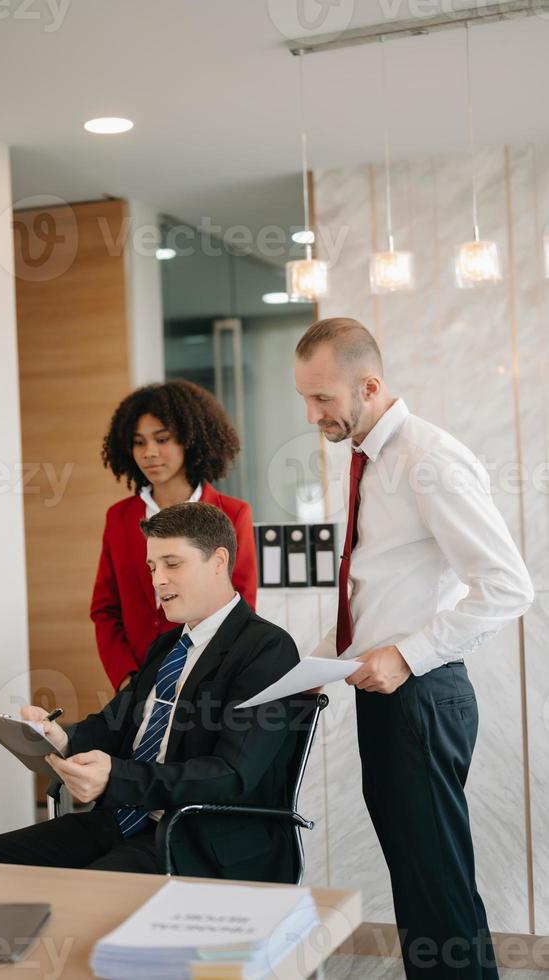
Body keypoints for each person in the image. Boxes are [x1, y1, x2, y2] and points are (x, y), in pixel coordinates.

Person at [294, 317, 533, 980]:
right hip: (391, 697)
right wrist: (318, 661)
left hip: (421, 697)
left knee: (438, 898)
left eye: (323, 399)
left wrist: (403, 656)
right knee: (424, 893)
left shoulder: (426, 458)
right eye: (305, 400)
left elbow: (507, 587)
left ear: (368, 385)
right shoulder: (371, 458)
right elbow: (379, 590)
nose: (312, 415)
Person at [0, 503, 300, 881]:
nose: (157, 580)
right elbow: (113, 726)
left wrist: (115, 779)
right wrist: (59, 737)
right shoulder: (166, 648)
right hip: (123, 821)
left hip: (200, 837)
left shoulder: (266, 649)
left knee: (90, 894)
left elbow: (231, 775)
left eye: (172, 564)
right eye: (153, 567)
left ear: (218, 561)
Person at [91, 380, 258, 692]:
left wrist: (210, 678)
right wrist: (126, 678)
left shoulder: (233, 514)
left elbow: (241, 606)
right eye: (139, 442)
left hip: (206, 682)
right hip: (136, 685)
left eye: (162, 439)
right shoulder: (119, 518)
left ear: (190, 441)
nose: (149, 453)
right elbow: (105, 609)